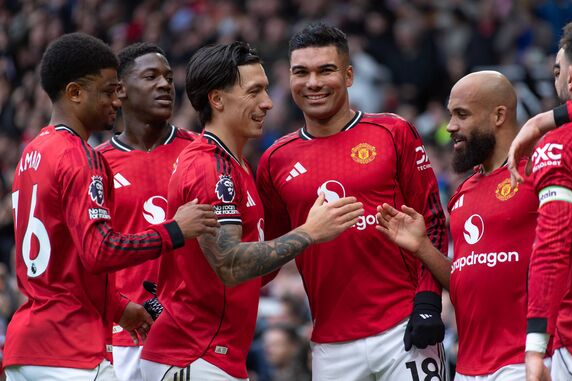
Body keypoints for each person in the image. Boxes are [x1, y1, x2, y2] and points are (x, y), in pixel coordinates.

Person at [140, 41, 364, 381]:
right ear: (217, 99)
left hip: (210, 354)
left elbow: (252, 272)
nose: (268, 103)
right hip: (192, 353)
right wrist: (309, 232)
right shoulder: (211, 168)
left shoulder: (235, 163)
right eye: (254, 91)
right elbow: (230, 265)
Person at [3, 33, 218, 381]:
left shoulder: (32, 152)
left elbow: (64, 255)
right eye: (107, 91)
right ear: (75, 93)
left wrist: (119, 308)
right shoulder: (82, 158)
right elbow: (99, 251)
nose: (114, 102)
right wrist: (175, 230)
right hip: (70, 346)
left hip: (27, 344)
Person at [256, 23, 448, 381]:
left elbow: (432, 221)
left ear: (348, 75)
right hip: (331, 345)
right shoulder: (274, 159)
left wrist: (427, 303)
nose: (312, 83)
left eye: (325, 70)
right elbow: (268, 257)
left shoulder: (393, 132)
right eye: (302, 72)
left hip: (402, 329)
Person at [376, 71, 544, 380]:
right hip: (469, 367)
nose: (450, 126)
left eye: (461, 115)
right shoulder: (463, 193)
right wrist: (423, 247)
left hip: (525, 361)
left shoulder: (538, 172)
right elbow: (465, 284)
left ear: (499, 115)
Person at [95, 42, 200, 381]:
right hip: (125, 331)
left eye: (169, 78)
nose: (165, 85)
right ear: (121, 90)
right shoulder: (96, 164)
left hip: (191, 329)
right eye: (151, 76)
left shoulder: (199, 152)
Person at [509, 20, 572, 381]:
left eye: (557, 71)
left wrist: (534, 347)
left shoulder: (562, 144)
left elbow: (552, 247)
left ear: (570, 78)